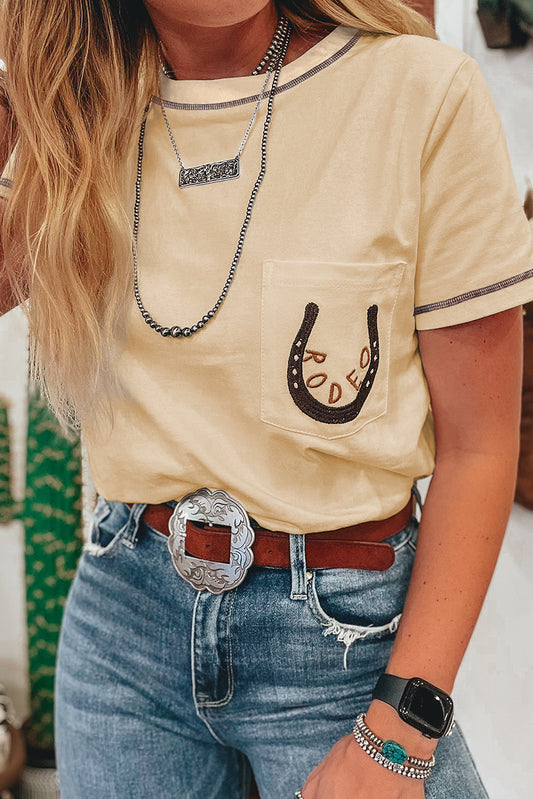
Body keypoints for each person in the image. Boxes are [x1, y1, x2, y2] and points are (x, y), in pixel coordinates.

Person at [1, 1, 532, 797]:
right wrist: (26, 93)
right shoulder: (80, 115)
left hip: (346, 646)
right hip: (124, 626)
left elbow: (480, 447)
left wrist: (401, 727)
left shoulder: (419, 93)